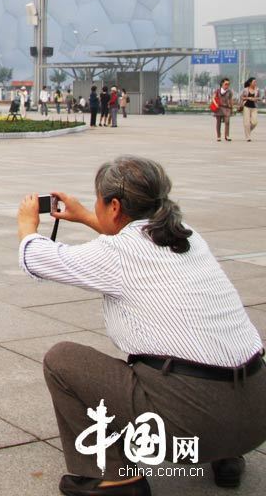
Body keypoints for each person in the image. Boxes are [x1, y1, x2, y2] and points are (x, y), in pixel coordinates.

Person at [17, 155, 265, 496]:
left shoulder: (116, 253)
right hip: (255, 416)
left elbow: (36, 258)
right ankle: (226, 454)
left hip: (194, 426)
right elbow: (135, 236)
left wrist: (27, 225)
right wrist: (88, 217)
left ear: (115, 206)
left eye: (98, 201)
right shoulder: (189, 236)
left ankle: (116, 478)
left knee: (63, 360)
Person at [212, 77, 235, 142]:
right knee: (218, 122)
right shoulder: (217, 91)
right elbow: (213, 98)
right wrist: (215, 103)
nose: (227, 85)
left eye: (228, 84)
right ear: (222, 83)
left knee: (227, 122)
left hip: (227, 108)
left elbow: (231, 100)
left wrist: (232, 109)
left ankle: (227, 136)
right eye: (226, 84)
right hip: (219, 108)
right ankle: (218, 136)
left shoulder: (229, 92)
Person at [240, 77, 258, 141]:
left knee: (254, 122)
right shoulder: (245, 89)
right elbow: (241, 97)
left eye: (255, 82)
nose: (255, 83)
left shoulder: (257, 90)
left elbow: (259, 98)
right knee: (246, 123)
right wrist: (248, 98)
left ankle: (248, 131)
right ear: (250, 83)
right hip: (246, 106)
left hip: (254, 107)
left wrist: (255, 99)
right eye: (254, 82)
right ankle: (248, 137)